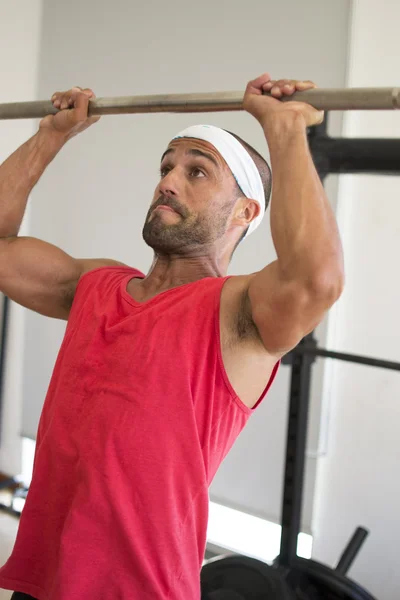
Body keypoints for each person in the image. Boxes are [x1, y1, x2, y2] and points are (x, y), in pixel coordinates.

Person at [0, 73, 344, 600]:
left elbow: (315, 279)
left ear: (246, 212)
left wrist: (283, 131)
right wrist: (51, 135)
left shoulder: (237, 314)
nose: (168, 181)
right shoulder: (96, 285)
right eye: (166, 167)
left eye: (197, 171)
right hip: (42, 582)